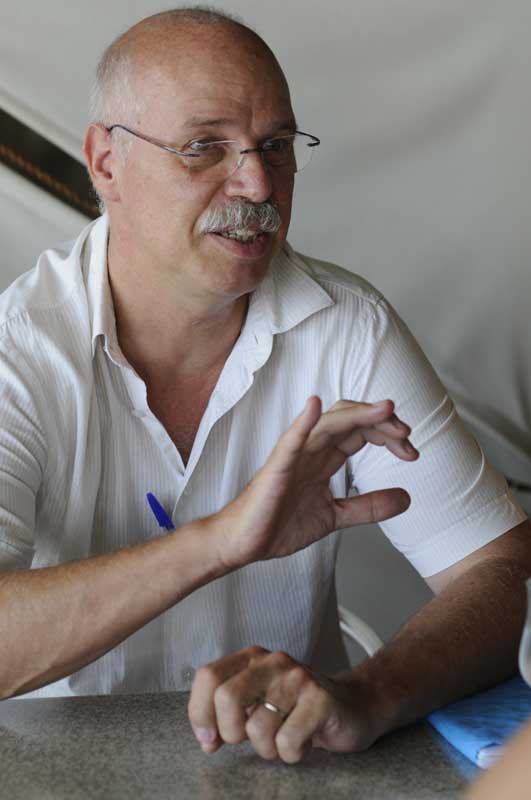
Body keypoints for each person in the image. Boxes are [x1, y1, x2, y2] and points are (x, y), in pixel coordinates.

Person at [0, 6, 529, 765]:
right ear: (106, 163)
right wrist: (216, 543)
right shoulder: (17, 348)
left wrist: (367, 695)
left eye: (275, 146)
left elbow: (505, 572)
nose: (256, 184)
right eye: (203, 147)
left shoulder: (347, 326)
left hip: (287, 771)